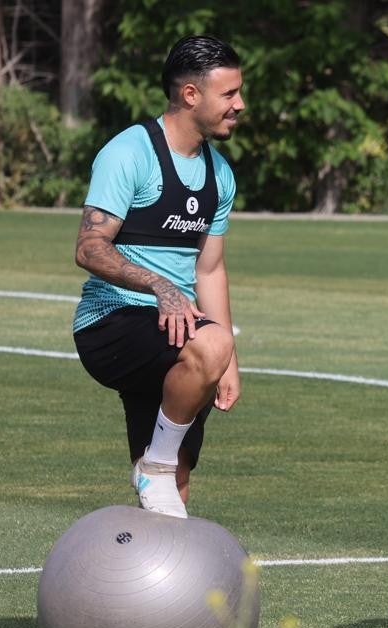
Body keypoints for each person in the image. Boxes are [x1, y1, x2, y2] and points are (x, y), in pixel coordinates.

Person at [72, 35, 245, 519]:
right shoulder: (129, 152)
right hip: (112, 323)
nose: (240, 105)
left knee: (174, 488)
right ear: (191, 95)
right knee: (207, 350)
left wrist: (227, 359)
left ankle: (146, 585)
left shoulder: (220, 175)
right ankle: (158, 464)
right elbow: (89, 247)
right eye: (229, 94)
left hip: (179, 333)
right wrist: (160, 286)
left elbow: (208, 269)